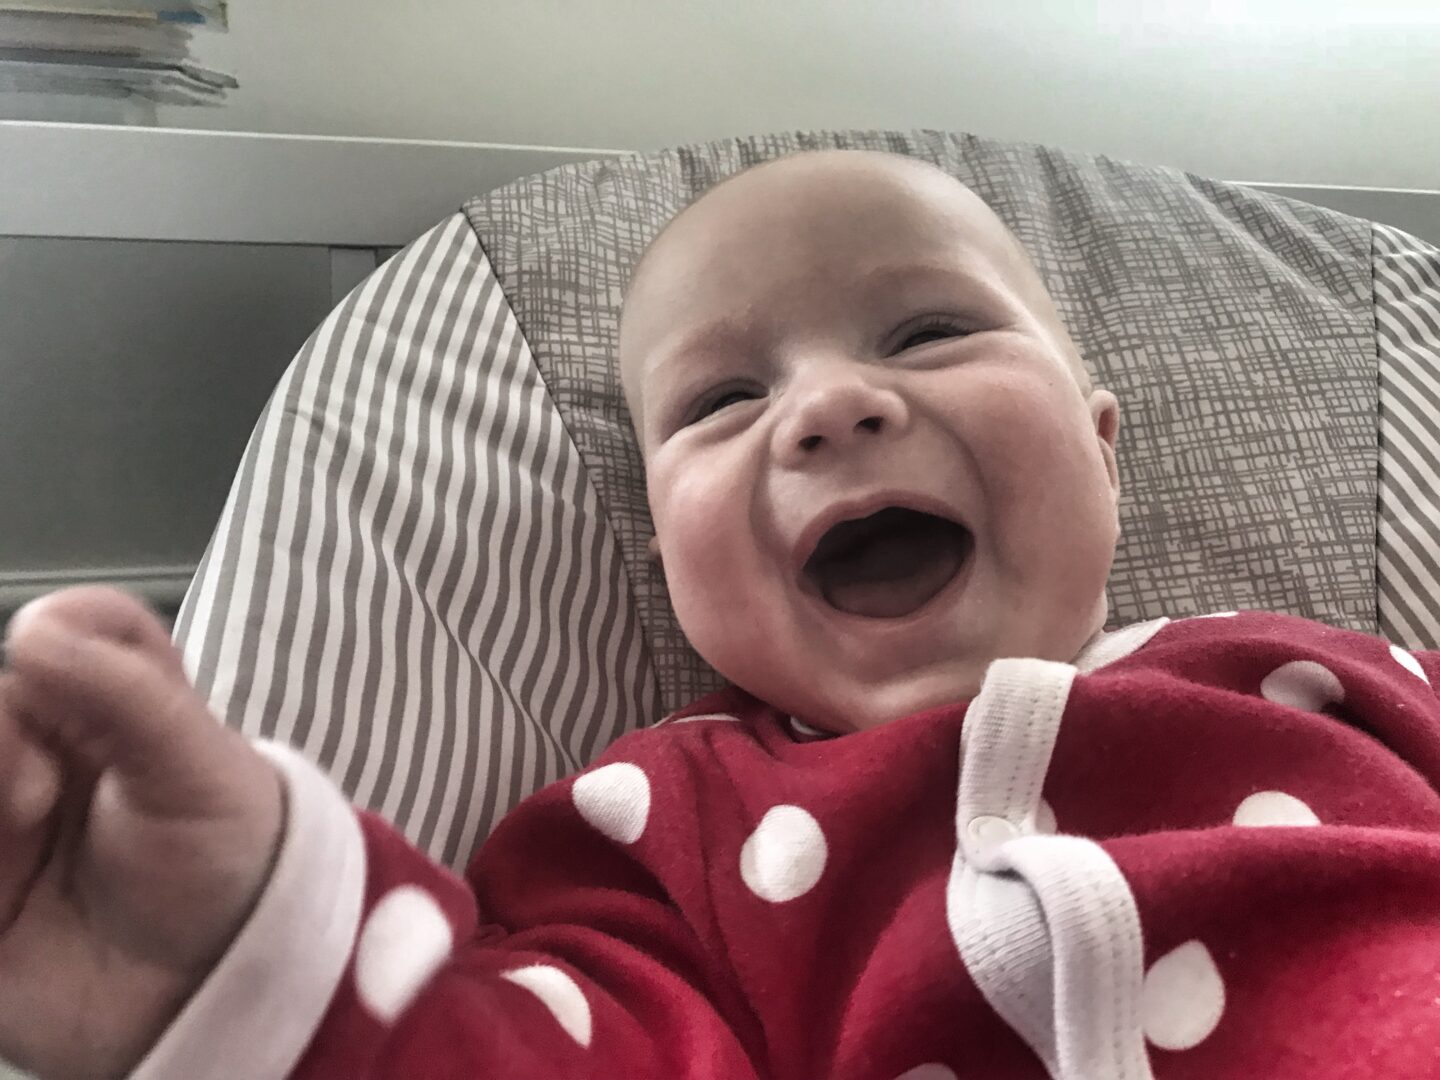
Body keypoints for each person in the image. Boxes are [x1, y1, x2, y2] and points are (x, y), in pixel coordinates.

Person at [4, 149, 1440, 1080]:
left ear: (1104, 447)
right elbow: (511, 1054)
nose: (827, 406)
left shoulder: (1334, 677)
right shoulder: (660, 831)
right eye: (722, 400)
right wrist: (246, 969)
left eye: (930, 331)